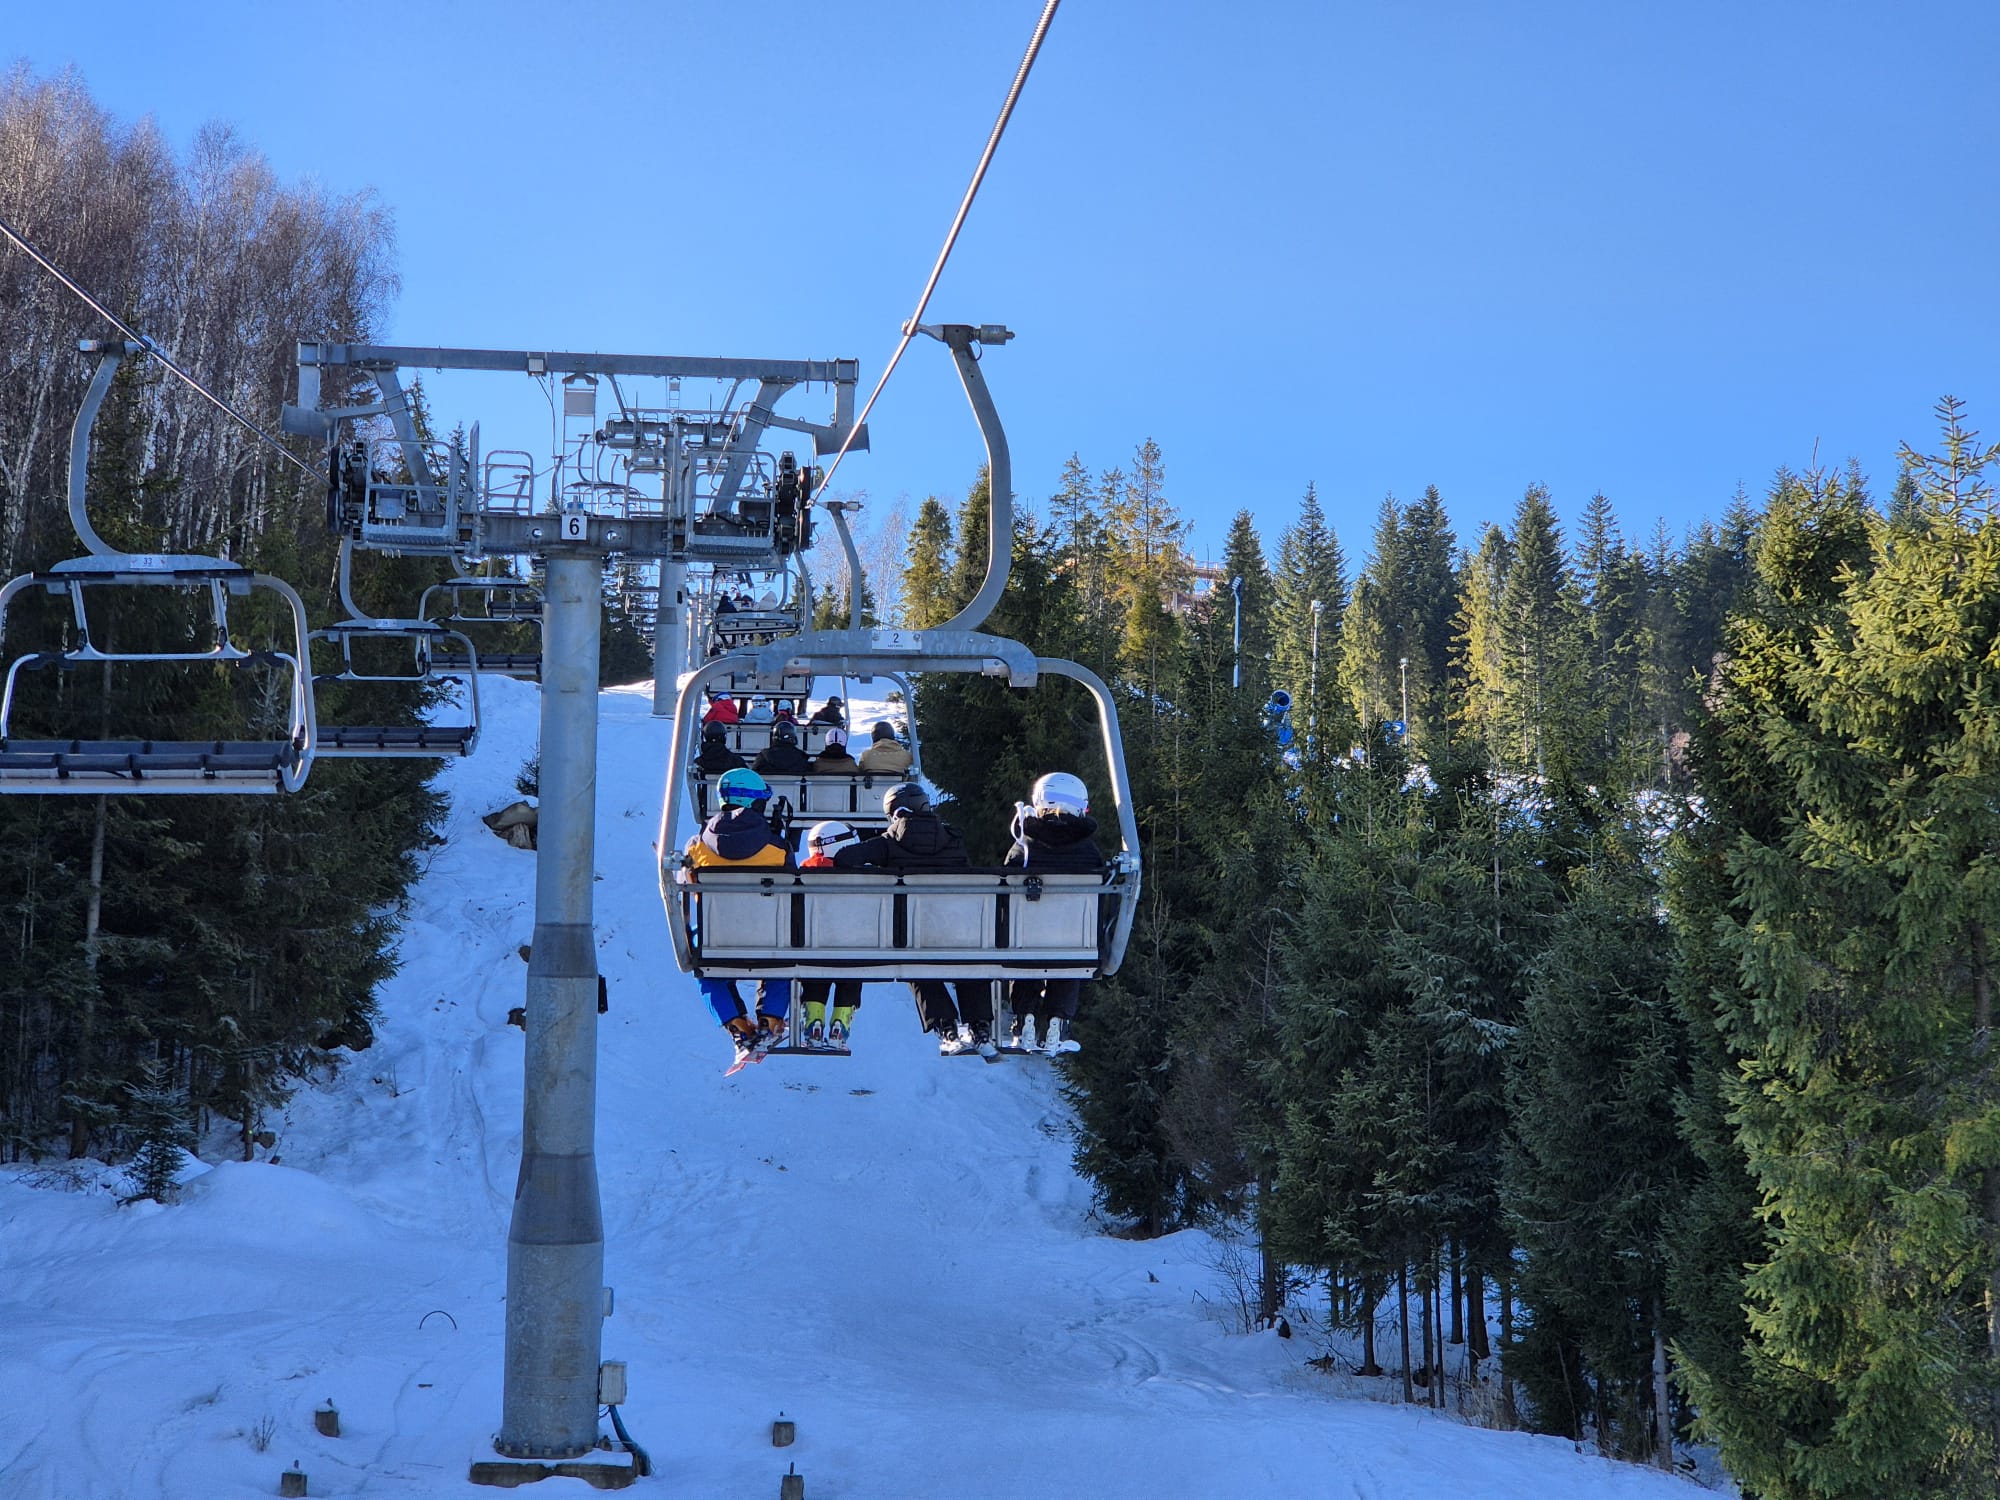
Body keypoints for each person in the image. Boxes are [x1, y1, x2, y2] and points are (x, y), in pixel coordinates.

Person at [833, 782, 995, 1055]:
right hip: (958, 930)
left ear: (895, 813)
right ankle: (980, 1026)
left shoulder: (888, 843)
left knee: (916, 963)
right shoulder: (953, 839)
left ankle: (946, 1027)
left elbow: (844, 858)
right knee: (970, 961)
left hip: (913, 933)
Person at [682, 767, 795, 1066]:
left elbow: (693, 889)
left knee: (707, 969)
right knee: (783, 961)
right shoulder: (777, 848)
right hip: (770, 935)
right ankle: (770, 1020)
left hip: (718, 939)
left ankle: (738, 1027)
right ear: (752, 803)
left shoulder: (696, 847)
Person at [1004, 771, 1104, 1054]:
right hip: (1073, 936)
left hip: (1026, 935)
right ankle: (1059, 1020)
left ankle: (1024, 1017)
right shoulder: (1089, 851)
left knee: (1025, 956)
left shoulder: (1025, 846)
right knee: (1072, 955)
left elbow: (1007, 880)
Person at [798, 820, 864, 1048]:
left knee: (815, 976)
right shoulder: (859, 876)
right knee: (851, 976)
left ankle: (814, 1020)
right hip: (852, 947)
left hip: (811, 947)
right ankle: (841, 1023)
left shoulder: (800, 874)